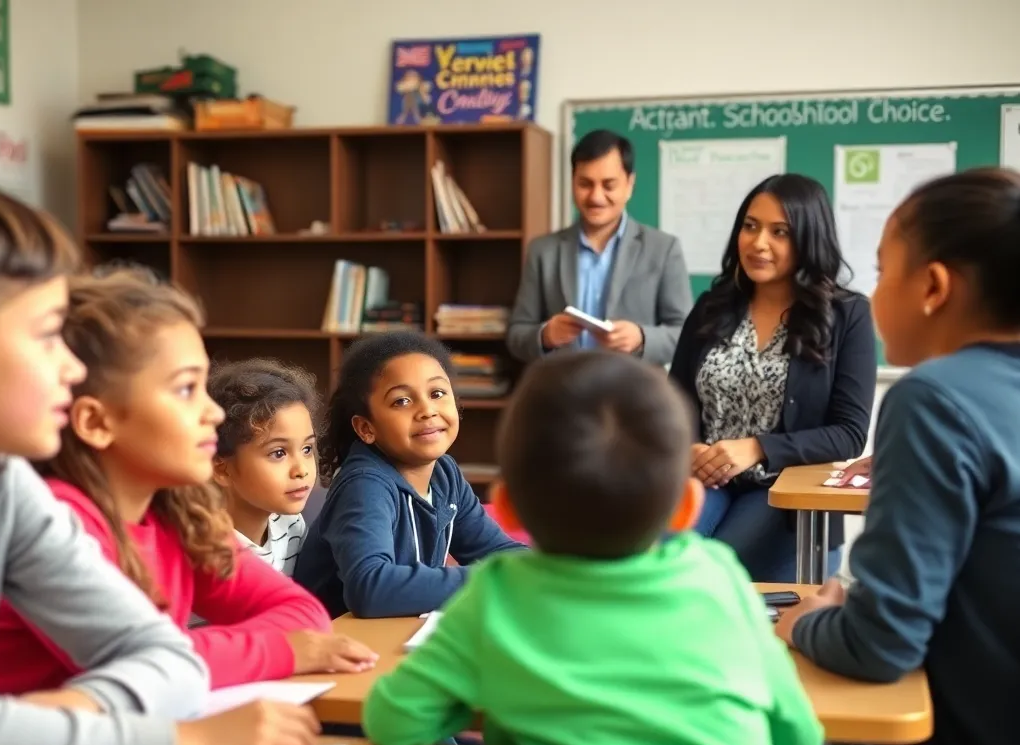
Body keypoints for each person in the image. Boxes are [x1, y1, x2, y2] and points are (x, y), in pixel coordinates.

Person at [0, 166, 319, 745]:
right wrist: (184, 743)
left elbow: (170, 661)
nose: (70, 368)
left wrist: (38, 722)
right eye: (45, 338)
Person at [361, 350, 823, 745]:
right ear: (687, 506)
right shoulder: (720, 578)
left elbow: (392, 722)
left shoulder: (497, 595)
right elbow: (799, 742)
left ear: (506, 508)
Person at [776, 168, 1020, 745]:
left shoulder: (933, 400)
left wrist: (802, 623)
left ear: (933, 288)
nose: (872, 291)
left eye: (882, 270)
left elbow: (880, 645)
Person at [0, 271, 376, 694]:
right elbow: (145, 666)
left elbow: (302, 613)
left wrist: (195, 653)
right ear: (96, 421)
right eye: (185, 390)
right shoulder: (57, 523)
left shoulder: (180, 514)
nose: (214, 415)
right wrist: (287, 651)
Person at [668, 174, 876, 582]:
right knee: (662, 550)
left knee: (707, 567)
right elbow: (674, 398)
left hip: (783, 488)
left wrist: (757, 448)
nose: (758, 242)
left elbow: (849, 432)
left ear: (808, 240)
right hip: (707, 478)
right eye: (750, 226)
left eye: (779, 232)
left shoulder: (847, 315)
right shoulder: (713, 305)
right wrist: (689, 447)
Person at [293, 332, 523, 618]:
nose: (427, 410)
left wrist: (552, 568)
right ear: (366, 428)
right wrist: (497, 579)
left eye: (437, 394)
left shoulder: (445, 473)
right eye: (402, 401)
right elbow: (370, 588)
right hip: (335, 641)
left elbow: (494, 550)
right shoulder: (364, 485)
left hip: (389, 635)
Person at [506, 129, 692, 366]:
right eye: (585, 184)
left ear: (629, 184)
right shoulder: (543, 251)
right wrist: (545, 335)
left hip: (635, 396)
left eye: (608, 185)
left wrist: (642, 337)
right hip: (562, 394)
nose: (596, 196)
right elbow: (516, 335)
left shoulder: (664, 249)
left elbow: (687, 335)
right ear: (572, 181)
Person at [209, 358, 321, 578]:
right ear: (222, 469)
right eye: (278, 453)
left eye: (307, 449)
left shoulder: (290, 526)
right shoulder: (207, 547)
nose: (301, 470)